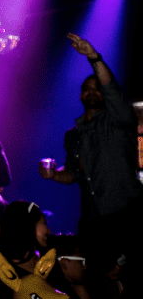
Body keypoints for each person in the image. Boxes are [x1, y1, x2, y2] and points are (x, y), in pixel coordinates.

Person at [39, 33, 143, 274]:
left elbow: (111, 88)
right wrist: (53, 175)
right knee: (97, 276)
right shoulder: (73, 135)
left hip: (126, 213)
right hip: (92, 218)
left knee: (131, 276)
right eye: (87, 89)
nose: (92, 92)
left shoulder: (119, 120)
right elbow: (74, 174)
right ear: (80, 95)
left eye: (97, 89)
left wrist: (94, 58)